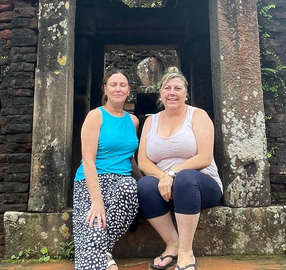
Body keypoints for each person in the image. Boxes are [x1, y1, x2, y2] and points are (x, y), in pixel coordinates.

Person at [137, 69, 223, 270]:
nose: (172, 92)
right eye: (167, 88)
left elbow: (205, 157)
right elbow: (142, 161)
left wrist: (173, 173)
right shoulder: (151, 120)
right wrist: (164, 176)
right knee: (144, 184)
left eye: (178, 88)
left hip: (201, 184)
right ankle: (172, 245)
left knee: (185, 178)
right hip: (167, 188)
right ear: (161, 94)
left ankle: (186, 252)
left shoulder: (197, 115)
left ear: (186, 93)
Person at [73, 69, 140, 270]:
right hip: (91, 182)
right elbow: (88, 159)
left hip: (121, 183)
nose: (118, 89)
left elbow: (131, 158)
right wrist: (97, 199)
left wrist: (147, 182)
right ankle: (105, 257)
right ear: (105, 88)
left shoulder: (133, 121)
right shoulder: (96, 116)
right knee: (94, 226)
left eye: (122, 85)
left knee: (130, 185)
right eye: (113, 84)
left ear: (128, 90)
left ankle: (100, 252)